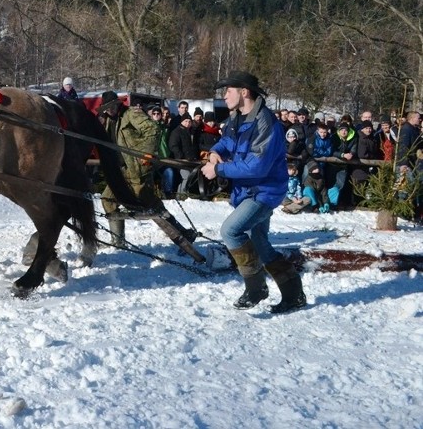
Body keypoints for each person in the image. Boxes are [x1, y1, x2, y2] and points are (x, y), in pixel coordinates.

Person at [201, 71, 306, 313]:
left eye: (229, 90)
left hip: (264, 192)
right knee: (261, 244)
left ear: (244, 92)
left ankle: (256, 287)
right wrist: (216, 152)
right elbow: (227, 142)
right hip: (248, 190)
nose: (224, 96)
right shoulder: (238, 118)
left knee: (231, 230)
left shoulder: (265, 122)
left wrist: (219, 169)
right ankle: (294, 295)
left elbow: (257, 165)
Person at [97, 91, 204, 261]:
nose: (109, 111)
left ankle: (183, 235)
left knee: (152, 207)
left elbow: (153, 130)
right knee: (107, 199)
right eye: (106, 108)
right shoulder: (110, 121)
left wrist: (144, 156)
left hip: (138, 171)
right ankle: (118, 242)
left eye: (111, 107)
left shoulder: (131, 114)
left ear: (117, 104)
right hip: (122, 171)